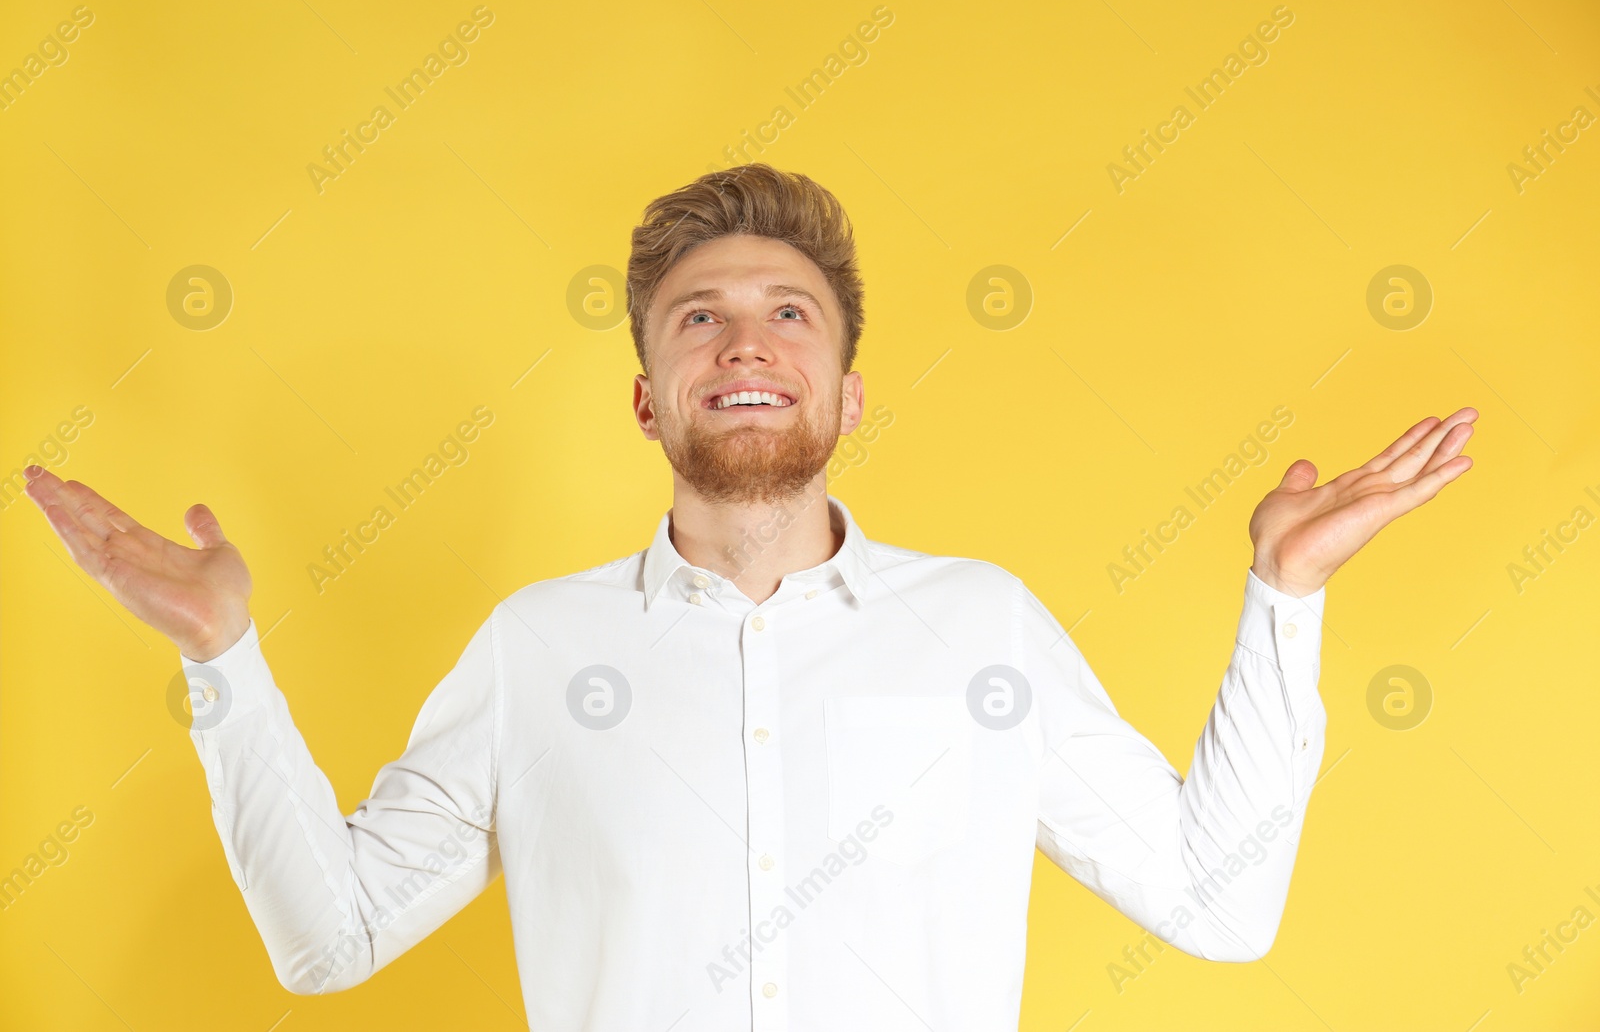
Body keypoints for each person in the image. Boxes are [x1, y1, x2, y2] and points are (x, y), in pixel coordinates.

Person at [24, 163, 1476, 1029]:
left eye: (791, 312)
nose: (746, 340)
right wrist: (225, 661)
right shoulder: (537, 653)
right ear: (649, 397)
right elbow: (327, 941)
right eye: (698, 317)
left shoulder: (983, 628)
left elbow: (1218, 910)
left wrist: (1284, 601)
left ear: (846, 384)